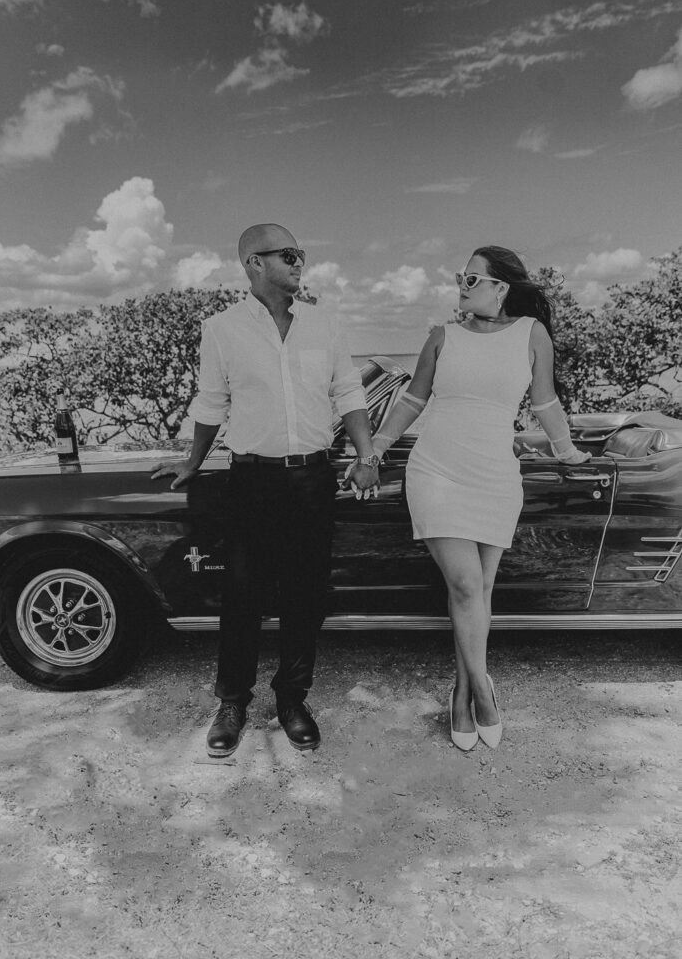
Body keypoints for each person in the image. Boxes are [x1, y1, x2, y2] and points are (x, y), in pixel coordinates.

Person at [151, 224, 379, 757]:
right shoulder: (222, 330)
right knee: (243, 593)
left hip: (312, 478)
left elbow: (347, 391)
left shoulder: (325, 324)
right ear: (254, 263)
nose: (301, 263)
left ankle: (292, 701)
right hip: (251, 479)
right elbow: (211, 405)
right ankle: (232, 702)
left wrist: (367, 456)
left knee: (306, 592)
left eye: (302, 254)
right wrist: (191, 462)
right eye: (290, 255)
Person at [360, 246, 589, 751]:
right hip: (437, 468)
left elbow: (544, 400)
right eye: (460, 278)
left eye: (470, 279)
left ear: (499, 286)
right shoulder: (442, 336)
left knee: (480, 589)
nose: (461, 286)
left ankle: (461, 690)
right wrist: (375, 448)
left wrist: (566, 449)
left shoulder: (532, 334)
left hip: (494, 474)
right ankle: (484, 694)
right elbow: (414, 399)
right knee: (466, 586)